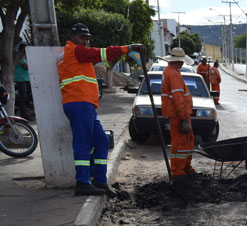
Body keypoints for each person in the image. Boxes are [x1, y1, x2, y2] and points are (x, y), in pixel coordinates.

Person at [57, 23, 145, 196]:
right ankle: (82, 183)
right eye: (83, 37)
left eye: (88, 38)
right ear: (73, 36)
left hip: (85, 104)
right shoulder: (74, 50)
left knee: (102, 141)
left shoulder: (72, 53)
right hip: (79, 102)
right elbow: (101, 53)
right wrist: (127, 48)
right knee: (83, 142)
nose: (86, 41)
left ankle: (99, 181)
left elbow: (98, 58)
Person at [160, 47, 196, 192]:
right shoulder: (173, 75)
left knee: (187, 142)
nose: (182, 64)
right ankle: (178, 172)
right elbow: (178, 98)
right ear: (178, 61)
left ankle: (185, 168)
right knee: (180, 145)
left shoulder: (170, 72)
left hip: (178, 114)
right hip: (178, 115)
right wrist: (184, 118)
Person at [14, 43, 32, 120]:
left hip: (25, 78)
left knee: (27, 95)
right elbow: (26, 67)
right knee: (23, 96)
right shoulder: (21, 56)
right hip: (21, 79)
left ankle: (27, 108)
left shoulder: (23, 56)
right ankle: (24, 113)